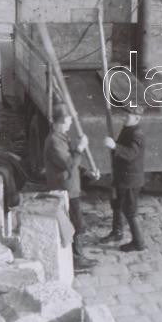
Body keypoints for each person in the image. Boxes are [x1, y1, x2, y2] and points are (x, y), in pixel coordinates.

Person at [43, 104, 98, 270]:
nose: (71, 123)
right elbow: (68, 163)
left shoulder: (61, 136)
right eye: (68, 120)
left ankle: (76, 256)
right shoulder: (54, 141)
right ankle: (76, 259)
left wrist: (87, 172)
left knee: (74, 222)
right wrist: (80, 148)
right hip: (64, 189)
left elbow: (72, 162)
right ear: (61, 121)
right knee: (75, 223)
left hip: (69, 187)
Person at [101, 106, 146, 252]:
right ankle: (117, 232)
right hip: (122, 176)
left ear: (137, 118)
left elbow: (131, 153)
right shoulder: (128, 128)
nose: (124, 118)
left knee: (130, 211)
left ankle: (138, 243)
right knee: (117, 204)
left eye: (128, 116)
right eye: (125, 115)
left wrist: (115, 146)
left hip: (130, 180)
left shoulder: (137, 134)